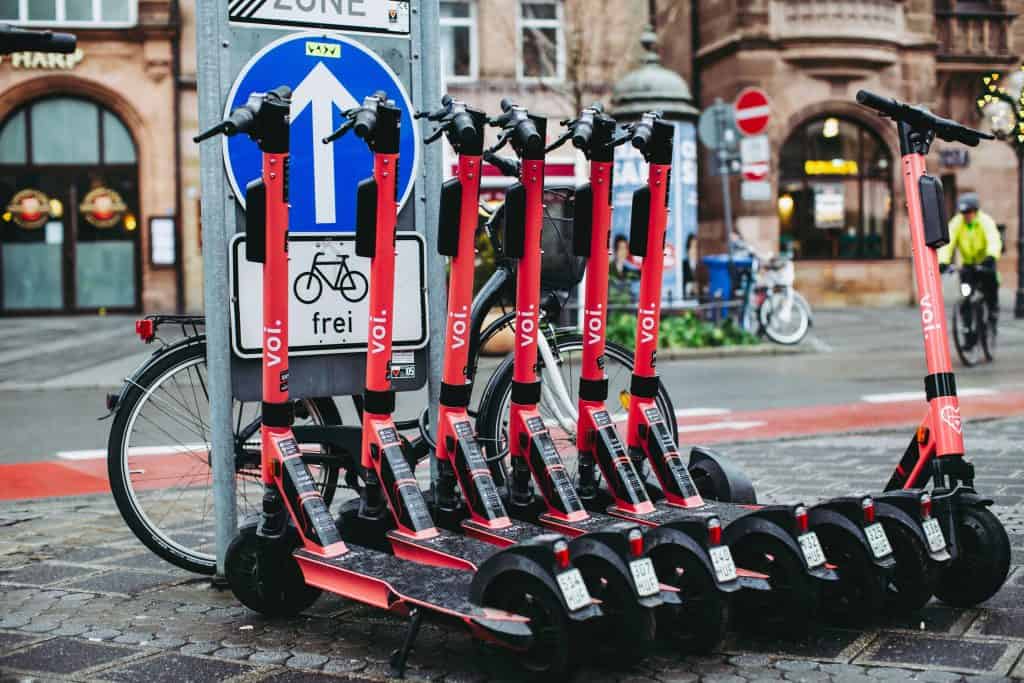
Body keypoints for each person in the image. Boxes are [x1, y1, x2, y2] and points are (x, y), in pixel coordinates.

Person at [938, 192, 1002, 334]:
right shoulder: (957, 222)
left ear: (976, 211)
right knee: (965, 295)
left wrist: (991, 256)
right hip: (968, 264)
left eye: (969, 212)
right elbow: (947, 243)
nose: (966, 215)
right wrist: (943, 261)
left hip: (985, 262)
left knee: (991, 286)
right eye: (964, 212)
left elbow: (993, 238)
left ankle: (993, 311)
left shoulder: (985, 221)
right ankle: (968, 331)